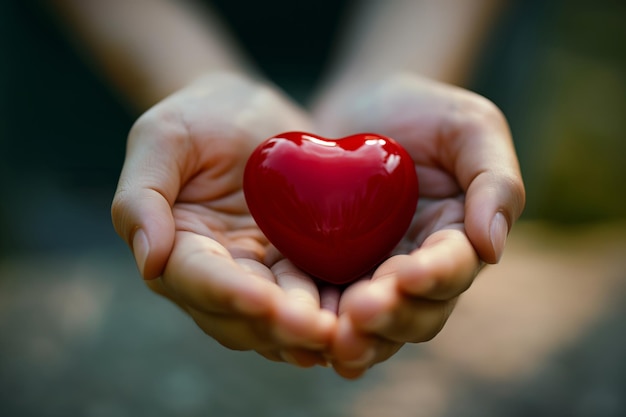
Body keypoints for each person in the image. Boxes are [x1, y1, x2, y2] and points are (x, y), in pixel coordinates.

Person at [47, 0, 525, 379]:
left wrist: (405, 70)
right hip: (103, 101)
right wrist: (195, 81)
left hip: (441, 39)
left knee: (408, 300)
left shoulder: (410, 155)